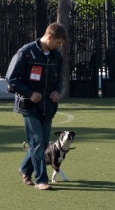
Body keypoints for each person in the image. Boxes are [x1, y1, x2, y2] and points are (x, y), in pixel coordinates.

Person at [5, 22, 67, 190]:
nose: (59, 46)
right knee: (37, 141)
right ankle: (41, 180)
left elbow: (60, 80)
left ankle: (24, 169)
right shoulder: (25, 53)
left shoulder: (56, 56)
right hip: (28, 105)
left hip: (48, 106)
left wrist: (57, 91)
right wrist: (30, 93)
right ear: (49, 37)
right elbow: (12, 79)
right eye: (58, 42)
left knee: (43, 142)